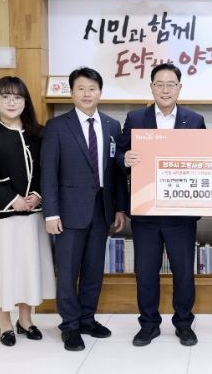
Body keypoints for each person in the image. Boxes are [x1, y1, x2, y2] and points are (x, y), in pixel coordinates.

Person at [119, 63, 206, 347]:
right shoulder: (135, 118)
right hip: (146, 212)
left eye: (171, 84)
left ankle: (184, 324)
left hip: (181, 213)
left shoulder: (194, 120)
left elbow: (205, 160)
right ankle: (149, 325)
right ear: (152, 87)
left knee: (184, 273)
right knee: (145, 273)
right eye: (160, 84)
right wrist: (125, 158)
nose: (165, 90)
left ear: (180, 88)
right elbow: (119, 154)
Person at [41, 67, 128, 351]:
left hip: (101, 210)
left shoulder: (112, 126)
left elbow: (116, 173)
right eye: (81, 88)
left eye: (92, 88)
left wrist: (120, 208)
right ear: (72, 92)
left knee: (93, 270)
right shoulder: (57, 126)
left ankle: (87, 319)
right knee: (67, 272)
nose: (87, 94)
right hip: (68, 212)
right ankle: (69, 326)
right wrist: (51, 213)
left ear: (100, 92)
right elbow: (48, 173)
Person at [0, 76, 56, 347]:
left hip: (32, 215)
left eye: (17, 97)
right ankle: (5, 323)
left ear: (25, 102)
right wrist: (12, 199)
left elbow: (47, 168)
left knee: (28, 268)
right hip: (0, 217)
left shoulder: (38, 133)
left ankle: (26, 320)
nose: (11, 102)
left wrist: (38, 194)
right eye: (5, 97)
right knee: (3, 268)